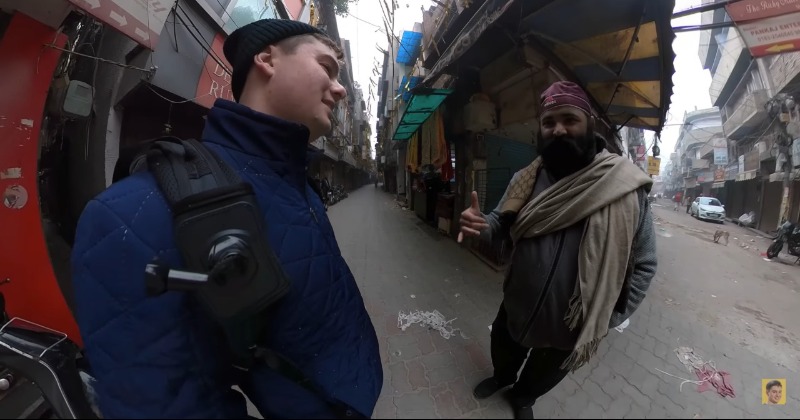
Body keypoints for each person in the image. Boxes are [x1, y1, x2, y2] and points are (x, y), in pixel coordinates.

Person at [70, 19, 382, 418]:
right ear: (267, 59)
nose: (340, 90)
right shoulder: (133, 214)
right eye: (327, 67)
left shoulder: (300, 186)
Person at [458, 81, 657, 419]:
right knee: (504, 351)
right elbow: (500, 223)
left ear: (589, 124)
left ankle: (522, 398)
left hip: (573, 326)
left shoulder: (625, 188)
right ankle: (502, 378)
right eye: (548, 122)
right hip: (518, 306)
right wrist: (482, 226)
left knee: (543, 374)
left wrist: (608, 316)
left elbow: (645, 265)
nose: (558, 129)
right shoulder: (526, 178)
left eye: (569, 119)